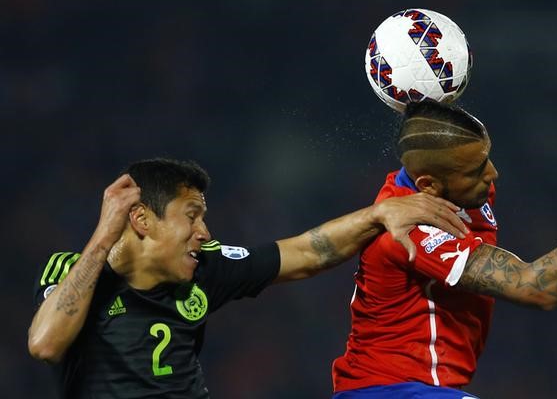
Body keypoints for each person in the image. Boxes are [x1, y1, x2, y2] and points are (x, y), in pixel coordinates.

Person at [331, 100, 557, 398]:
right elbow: (536, 286)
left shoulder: (450, 181)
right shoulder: (410, 232)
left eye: (487, 158)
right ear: (429, 185)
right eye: (477, 170)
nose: (493, 174)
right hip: (384, 392)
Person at [27, 158, 469, 398]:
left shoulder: (205, 267)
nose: (205, 233)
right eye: (192, 216)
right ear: (141, 219)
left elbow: (303, 252)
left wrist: (377, 215)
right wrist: (103, 238)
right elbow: (45, 344)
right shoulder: (73, 271)